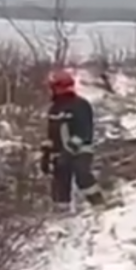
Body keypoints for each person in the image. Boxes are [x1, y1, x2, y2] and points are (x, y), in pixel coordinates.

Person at [40, 70, 106, 208]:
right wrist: (46, 155)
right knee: (59, 182)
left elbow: (84, 132)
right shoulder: (54, 109)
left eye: (53, 87)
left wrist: (68, 151)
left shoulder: (80, 105)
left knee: (82, 174)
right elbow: (51, 134)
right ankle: (61, 214)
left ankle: (99, 205)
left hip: (81, 150)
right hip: (61, 152)